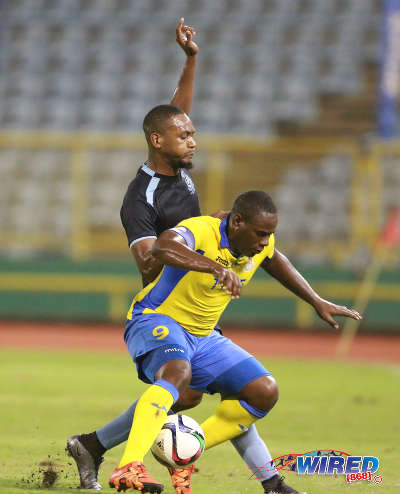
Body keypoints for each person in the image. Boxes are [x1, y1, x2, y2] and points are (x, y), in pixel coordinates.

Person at [66, 19, 303, 494]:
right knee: (180, 382)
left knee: (198, 391)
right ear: (159, 142)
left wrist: (191, 59)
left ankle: (92, 445)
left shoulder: (176, 164)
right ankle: (121, 461)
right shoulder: (142, 198)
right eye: (185, 136)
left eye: (192, 134)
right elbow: (150, 261)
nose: (193, 139)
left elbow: (177, 111)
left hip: (199, 303)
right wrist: (200, 242)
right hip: (165, 303)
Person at [107, 190, 362, 493]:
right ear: (237, 222)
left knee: (262, 391)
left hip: (203, 336)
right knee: (177, 374)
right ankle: (129, 465)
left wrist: (316, 301)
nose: (265, 241)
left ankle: (185, 455)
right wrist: (214, 266)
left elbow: (276, 260)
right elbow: (162, 247)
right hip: (156, 319)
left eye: (270, 234)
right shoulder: (202, 230)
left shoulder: (259, 246)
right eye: (260, 234)